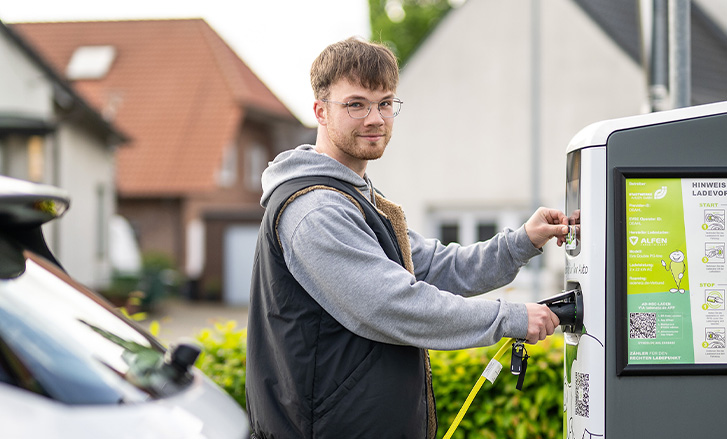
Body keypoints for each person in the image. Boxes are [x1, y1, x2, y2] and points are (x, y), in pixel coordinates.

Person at [246, 36, 568, 439]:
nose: (375, 118)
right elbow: (392, 303)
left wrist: (523, 241)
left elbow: (435, 268)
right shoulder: (316, 210)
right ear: (320, 111)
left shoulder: (356, 198)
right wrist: (511, 318)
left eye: (385, 103)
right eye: (356, 104)